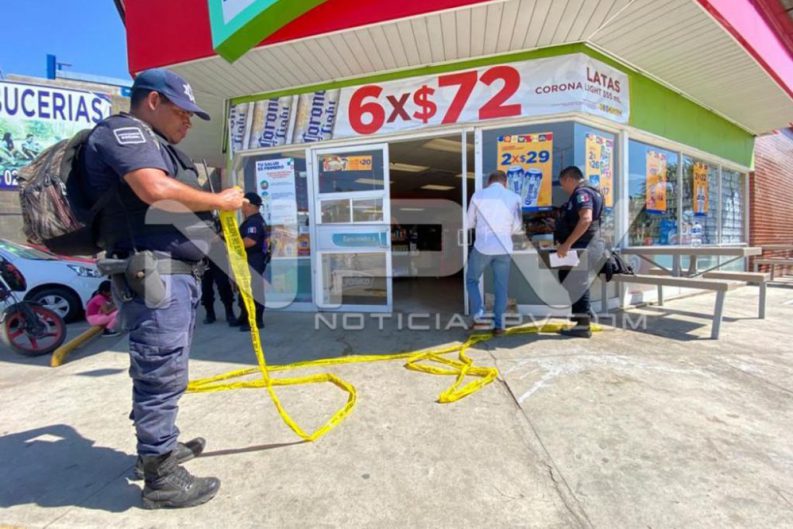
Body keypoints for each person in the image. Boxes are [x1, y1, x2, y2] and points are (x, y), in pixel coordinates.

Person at [81, 68, 245, 509]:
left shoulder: (158, 146)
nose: (188, 121)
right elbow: (153, 189)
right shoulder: (124, 133)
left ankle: (159, 447)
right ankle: (162, 478)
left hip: (175, 276)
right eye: (182, 111)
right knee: (160, 369)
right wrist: (219, 201)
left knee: (168, 368)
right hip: (154, 275)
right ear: (153, 101)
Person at [465, 170, 523, 335]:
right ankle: (499, 325)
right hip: (504, 247)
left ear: (488, 182)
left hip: (483, 246)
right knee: (501, 287)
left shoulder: (478, 195)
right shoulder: (515, 197)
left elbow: (469, 223)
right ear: (505, 183)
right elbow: (517, 227)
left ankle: (479, 317)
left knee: (472, 280)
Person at [554, 165, 604, 339]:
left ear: (569, 179)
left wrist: (567, 244)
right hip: (588, 245)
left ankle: (583, 325)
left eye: (563, 184)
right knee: (566, 277)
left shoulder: (582, 193)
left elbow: (586, 219)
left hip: (584, 246)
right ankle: (584, 315)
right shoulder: (593, 191)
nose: (563, 188)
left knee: (577, 282)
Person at [233, 192, 269, 332]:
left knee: (253, 291)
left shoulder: (254, 221)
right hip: (249, 260)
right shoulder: (252, 220)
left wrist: (232, 244)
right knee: (244, 290)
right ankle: (244, 317)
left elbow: (250, 241)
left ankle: (256, 320)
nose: (241, 206)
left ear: (249, 205)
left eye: (243, 203)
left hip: (254, 260)